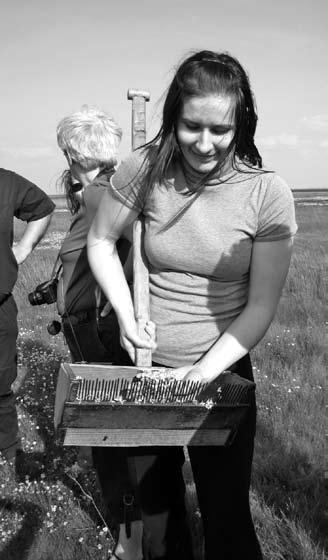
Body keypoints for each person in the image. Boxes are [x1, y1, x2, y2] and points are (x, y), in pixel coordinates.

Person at [87, 50, 297, 560]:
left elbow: (259, 308)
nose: (204, 144)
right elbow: (100, 240)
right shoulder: (144, 167)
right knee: (158, 518)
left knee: (227, 516)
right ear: (173, 118)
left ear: (241, 124)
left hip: (222, 375)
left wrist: (202, 372)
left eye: (220, 130)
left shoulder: (266, 194)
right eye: (190, 126)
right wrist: (126, 314)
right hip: (145, 372)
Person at [56, 105, 143, 560]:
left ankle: (131, 537)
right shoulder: (103, 187)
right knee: (116, 430)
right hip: (88, 326)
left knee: (110, 434)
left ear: (73, 153)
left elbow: (129, 235)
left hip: (96, 331)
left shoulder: (100, 193)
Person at [0, 169, 55, 467]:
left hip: (0, 305)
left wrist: (22, 248)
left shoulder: (5, 183)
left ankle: (10, 451)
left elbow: (43, 208)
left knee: (1, 380)